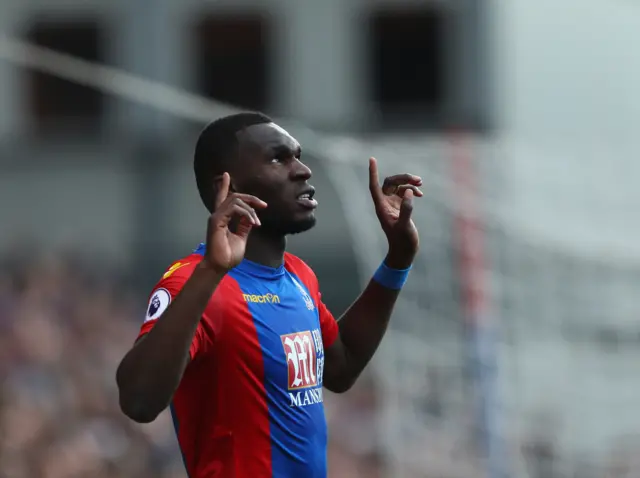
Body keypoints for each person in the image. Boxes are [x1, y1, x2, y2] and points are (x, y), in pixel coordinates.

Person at [116, 112, 422, 478]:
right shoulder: (193, 281)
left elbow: (341, 367)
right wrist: (212, 270)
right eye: (279, 159)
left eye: (297, 155)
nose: (303, 170)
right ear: (225, 189)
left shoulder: (297, 275)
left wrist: (398, 260)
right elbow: (138, 401)